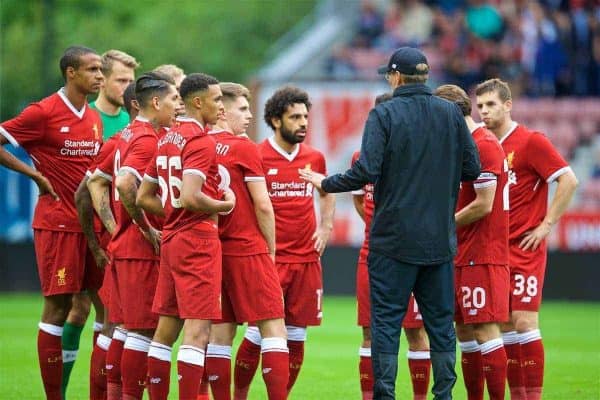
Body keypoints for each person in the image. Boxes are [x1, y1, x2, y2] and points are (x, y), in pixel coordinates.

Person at [300, 47, 481, 400]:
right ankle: (443, 395)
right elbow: (472, 170)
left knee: (385, 326)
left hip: (393, 242)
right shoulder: (450, 114)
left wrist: (326, 183)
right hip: (439, 242)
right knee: (441, 326)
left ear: (396, 77)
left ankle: (385, 395)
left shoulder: (383, 114)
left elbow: (366, 171)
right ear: (425, 76)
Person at [0, 45, 104, 400]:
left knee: (106, 304)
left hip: (90, 228)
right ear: (71, 73)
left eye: (101, 70)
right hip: (58, 225)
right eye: (92, 70)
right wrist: (34, 175)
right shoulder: (42, 112)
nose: (99, 77)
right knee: (58, 307)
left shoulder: (93, 118)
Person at [474, 78, 578, 400]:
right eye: (479, 106)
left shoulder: (531, 142)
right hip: (497, 251)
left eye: (490, 104)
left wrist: (547, 224)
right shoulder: (485, 146)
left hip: (525, 248)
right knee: (503, 324)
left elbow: (569, 180)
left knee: (523, 321)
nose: (484, 112)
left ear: (508, 105)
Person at [135, 73, 235, 400]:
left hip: (172, 240)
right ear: (197, 102)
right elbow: (192, 197)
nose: (221, 106)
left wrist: (172, 214)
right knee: (198, 332)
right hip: (197, 241)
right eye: (217, 99)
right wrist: (224, 205)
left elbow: (143, 197)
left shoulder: (166, 138)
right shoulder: (200, 141)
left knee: (165, 332)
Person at [234, 85, 336, 398]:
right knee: (256, 333)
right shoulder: (258, 155)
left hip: (306, 260)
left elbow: (326, 190)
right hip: (270, 259)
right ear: (276, 121)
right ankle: (239, 394)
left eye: (305, 116)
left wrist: (326, 226)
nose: (303, 122)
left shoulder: (314, 158)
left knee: (296, 336)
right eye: (295, 117)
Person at [89, 71, 179, 400]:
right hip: (140, 248)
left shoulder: (128, 133)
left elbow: (99, 183)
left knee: (125, 329)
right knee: (142, 331)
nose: (176, 105)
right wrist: (146, 226)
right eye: (172, 99)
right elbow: (127, 183)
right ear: (155, 102)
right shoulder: (145, 138)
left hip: (125, 245)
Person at [204, 82, 288, 400]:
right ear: (222, 110)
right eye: (243, 109)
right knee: (274, 328)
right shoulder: (244, 147)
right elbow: (263, 205)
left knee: (221, 333)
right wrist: (270, 249)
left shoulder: (198, 145)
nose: (250, 116)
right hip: (247, 247)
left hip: (213, 250)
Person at [62, 48, 138, 398]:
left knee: (110, 313)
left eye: (130, 81)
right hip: (84, 224)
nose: (126, 86)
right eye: (121, 79)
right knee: (79, 309)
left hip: (117, 230)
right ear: (102, 80)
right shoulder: (86, 117)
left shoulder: (130, 123)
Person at [351, 93, 431, 400]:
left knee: (414, 331)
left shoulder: (417, 156)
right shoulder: (361, 157)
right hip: (372, 255)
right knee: (371, 332)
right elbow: (359, 198)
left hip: (410, 256)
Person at [436, 84, 510, 400]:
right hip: (460, 252)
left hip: (483, 253)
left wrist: (440, 226)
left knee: (484, 329)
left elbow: (484, 204)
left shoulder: (484, 145)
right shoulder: (460, 146)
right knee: (464, 331)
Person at [90, 49, 139, 140]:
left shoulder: (134, 123)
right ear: (102, 80)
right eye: (122, 81)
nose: (128, 88)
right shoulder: (82, 117)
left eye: (131, 82)